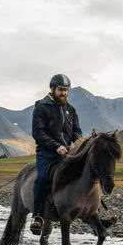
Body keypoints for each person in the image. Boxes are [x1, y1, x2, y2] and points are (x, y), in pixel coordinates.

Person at [30, 74, 83, 234]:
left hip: (67, 153)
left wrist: (78, 144)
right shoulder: (41, 107)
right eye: (61, 90)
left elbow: (77, 132)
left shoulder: (70, 110)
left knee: (86, 172)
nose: (64, 93)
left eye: (66, 90)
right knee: (42, 178)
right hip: (47, 153)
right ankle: (37, 216)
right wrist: (56, 146)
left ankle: (92, 209)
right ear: (52, 89)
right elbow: (38, 133)